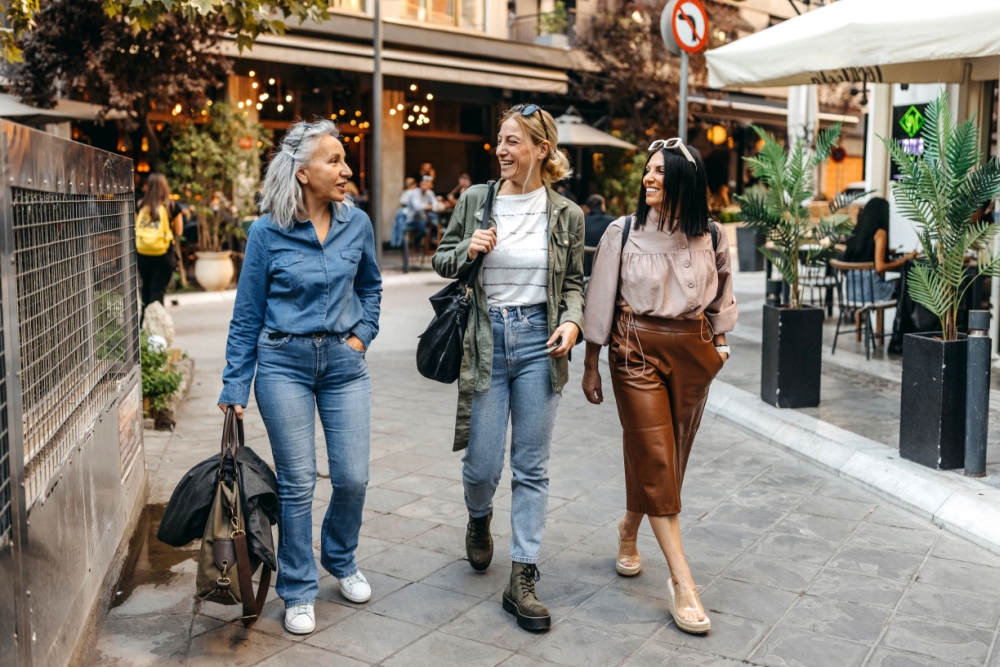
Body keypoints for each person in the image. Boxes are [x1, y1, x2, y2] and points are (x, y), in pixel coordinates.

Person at [218, 119, 382, 636]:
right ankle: (297, 587)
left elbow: (372, 287)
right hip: (283, 364)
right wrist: (234, 386)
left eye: (344, 159)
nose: (346, 169)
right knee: (297, 483)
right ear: (303, 172)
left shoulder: (357, 224)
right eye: (333, 160)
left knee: (353, 476)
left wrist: (361, 336)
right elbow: (247, 314)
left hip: (343, 366)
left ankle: (340, 556)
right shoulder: (267, 231)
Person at [432, 103, 584, 632]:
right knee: (481, 465)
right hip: (485, 339)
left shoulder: (566, 214)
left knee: (532, 466)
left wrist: (573, 323)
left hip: (542, 343)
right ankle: (479, 516)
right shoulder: (477, 200)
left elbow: (573, 286)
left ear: (542, 149)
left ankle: (522, 575)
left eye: (513, 141)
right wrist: (468, 249)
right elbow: (442, 259)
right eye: (500, 140)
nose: (502, 149)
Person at [581, 140, 737, 635]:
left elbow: (723, 292)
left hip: (693, 353)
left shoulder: (710, 234)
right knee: (656, 454)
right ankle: (682, 582)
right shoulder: (621, 232)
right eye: (646, 172)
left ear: (684, 182)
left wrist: (722, 343)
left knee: (669, 458)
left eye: (659, 172)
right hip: (634, 350)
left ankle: (630, 528)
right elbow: (600, 296)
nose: (648, 179)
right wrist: (591, 361)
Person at [842, 197, 915, 302]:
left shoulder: (858, 232)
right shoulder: (880, 233)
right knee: (909, 283)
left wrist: (886, 251)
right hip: (871, 293)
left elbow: (865, 253)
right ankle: (903, 319)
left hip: (852, 293)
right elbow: (880, 267)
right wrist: (905, 259)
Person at [135, 173, 183, 322]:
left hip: (143, 253)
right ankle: (155, 329)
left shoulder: (140, 204)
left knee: (147, 288)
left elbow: (136, 227)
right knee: (158, 290)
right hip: (163, 254)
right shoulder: (171, 206)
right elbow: (179, 231)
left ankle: (144, 324)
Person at [583, 194, 615, 277]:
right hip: (606, 273)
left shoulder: (581, 222)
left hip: (583, 271)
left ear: (587, 208)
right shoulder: (613, 223)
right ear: (602, 206)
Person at [404, 175, 439, 245]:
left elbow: (435, 203)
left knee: (436, 224)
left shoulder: (429, 193)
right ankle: (415, 244)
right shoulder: (414, 193)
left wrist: (433, 205)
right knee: (424, 229)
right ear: (420, 183)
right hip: (413, 219)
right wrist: (431, 206)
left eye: (427, 183)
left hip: (424, 218)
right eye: (424, 183)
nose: (425, 185)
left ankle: (432, 243)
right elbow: (417, 207)